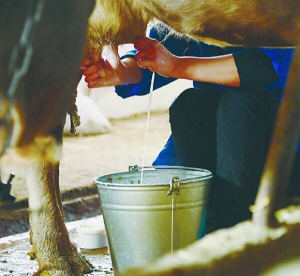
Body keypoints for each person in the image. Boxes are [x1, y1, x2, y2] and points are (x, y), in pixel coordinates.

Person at [81, 23, 299, 234]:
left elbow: (268, 65)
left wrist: (177, 66)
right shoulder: (200, 11)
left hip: (285, 150)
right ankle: (205, 218)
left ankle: (228, 230)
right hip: (224, 142)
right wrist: (122, 71)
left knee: (240, 102)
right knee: (188, 104)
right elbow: (162, 46)